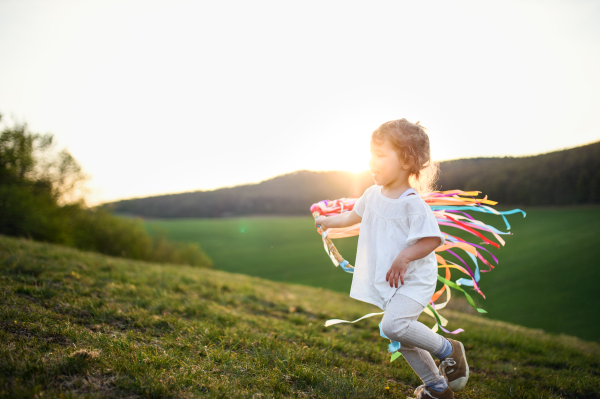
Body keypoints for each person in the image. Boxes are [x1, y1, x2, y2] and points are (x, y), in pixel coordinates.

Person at [314, 119, 468, 399]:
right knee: (402, 335)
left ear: (407, 160)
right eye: (371, 154)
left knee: (392, 326)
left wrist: (404, 256)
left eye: (381, 155)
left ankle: (449, 349)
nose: (372, 161)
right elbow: (351, 217)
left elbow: (432, 239)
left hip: (414, 280)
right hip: (392, 281)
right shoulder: (372, 195)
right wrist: (327, 221)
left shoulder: (412, 203)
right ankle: (437, 389)